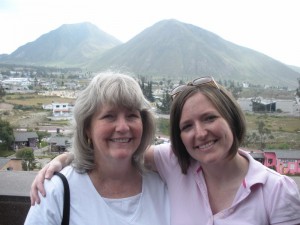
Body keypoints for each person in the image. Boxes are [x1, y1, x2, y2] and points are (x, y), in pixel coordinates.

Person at [31, 76, 300, 225]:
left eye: (209, 118)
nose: (200, 133)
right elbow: (113, 155)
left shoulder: (276, 192)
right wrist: (64, 159)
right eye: (187, 126)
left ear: (231, 117)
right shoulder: (174, 164)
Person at [25, 73, 170, 225]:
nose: (122, 127)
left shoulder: (162, 187)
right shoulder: (56, 191)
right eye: (109, 116)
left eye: (131, 116)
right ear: (87, 127)